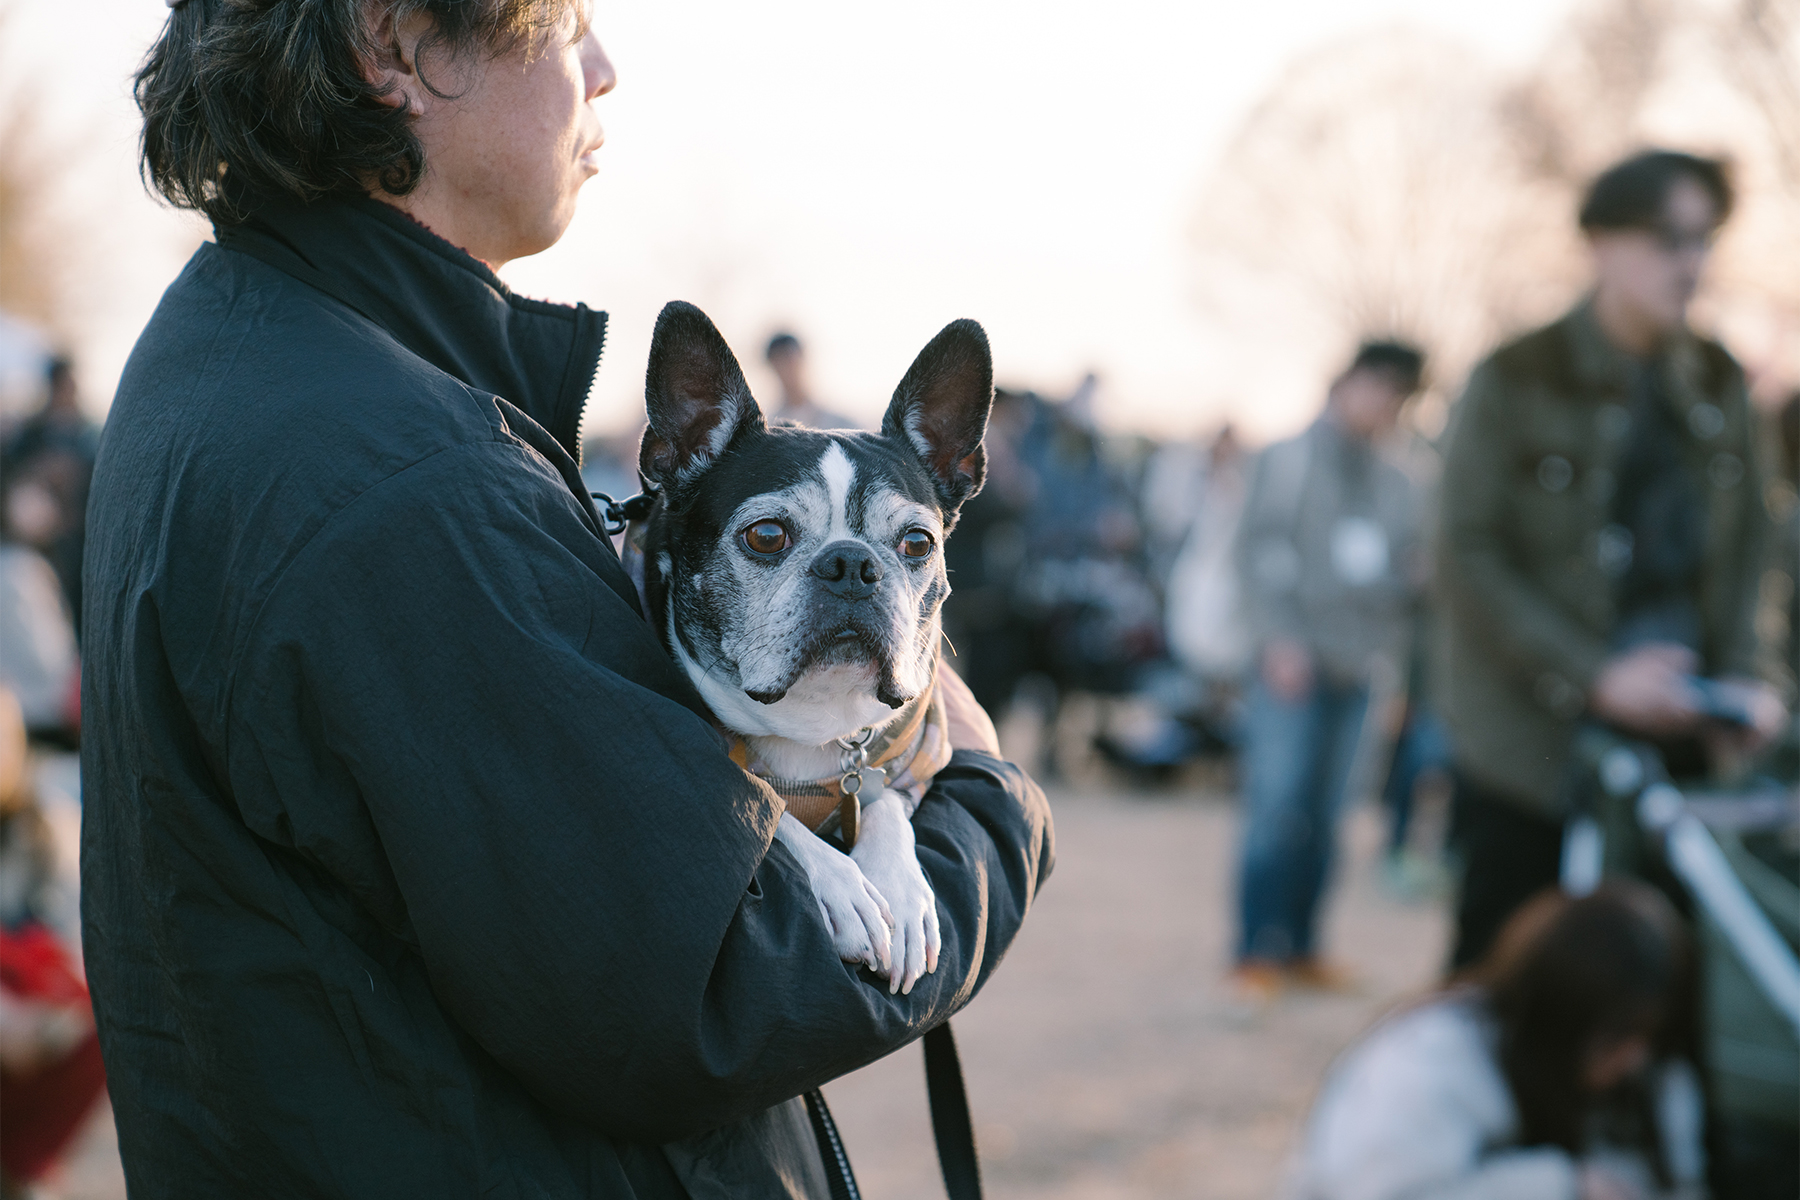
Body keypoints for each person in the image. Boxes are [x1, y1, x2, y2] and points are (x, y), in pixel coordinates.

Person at [83, 4, 1053, 1196]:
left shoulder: (231, 349)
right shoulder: (407, 485)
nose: (605, 67)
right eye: (567, 25)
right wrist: (993, 809)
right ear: (394, 48)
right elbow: (712, 991)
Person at [1437, 150, 1784, 970]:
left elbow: (1753, 553)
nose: (1691, 262)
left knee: (1665, 997)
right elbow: (1466, 554)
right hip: (1532, 752)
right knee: (1503, 981)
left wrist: (1753, 679)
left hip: (1683, 752)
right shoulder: (1515, 374)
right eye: (1669, 238)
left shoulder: (1719, 379)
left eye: (1705, 239)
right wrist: (1594, 674)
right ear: (1600, 241)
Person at [1285, 883, 1707, 1200]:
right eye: (1618, 1037)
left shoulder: (1646, 1076)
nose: (1633, 1059)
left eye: (1648, 1038)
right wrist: (1559, 1184)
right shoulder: (1431, 1061)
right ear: (1561, 1015)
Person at [1227, 341, 1425, 1003]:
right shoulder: (1283, 460)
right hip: (1292, 665)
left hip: (1363, 666)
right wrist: (1277, 641)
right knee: (1277, 806)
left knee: (1333, 813)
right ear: (1346, 381)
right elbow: (1252, 555)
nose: (1384, 404)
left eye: (1398, 394)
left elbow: (1408, 571)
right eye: (1378, 387)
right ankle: (1254, 952)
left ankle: (1306, 946)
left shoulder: (1405, 478)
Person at [764, 331, 857, 429]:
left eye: (789, 360)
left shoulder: (839, 423)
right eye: (779, 362)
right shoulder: (771, 427)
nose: (786, 369)